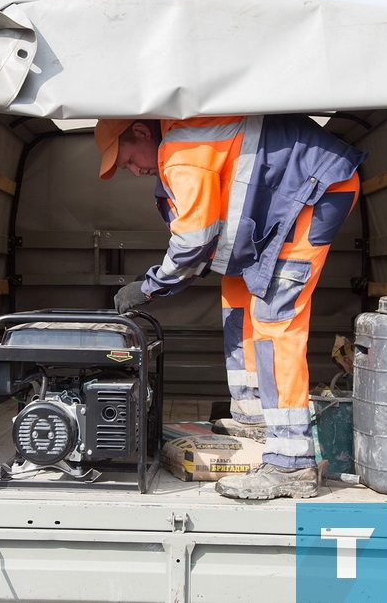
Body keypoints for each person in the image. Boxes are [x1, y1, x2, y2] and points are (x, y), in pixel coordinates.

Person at [95, 115, 365, 500]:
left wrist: (149, 286)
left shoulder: (180, 151)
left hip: (316, 191)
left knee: (275, 318)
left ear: (139, 132)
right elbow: (211, 237)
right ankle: (256, 420)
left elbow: (192, 241)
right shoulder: (186, 140)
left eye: (128, 160)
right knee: (237, 293)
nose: (135, 170)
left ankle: (291, 462)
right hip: (284, 202)